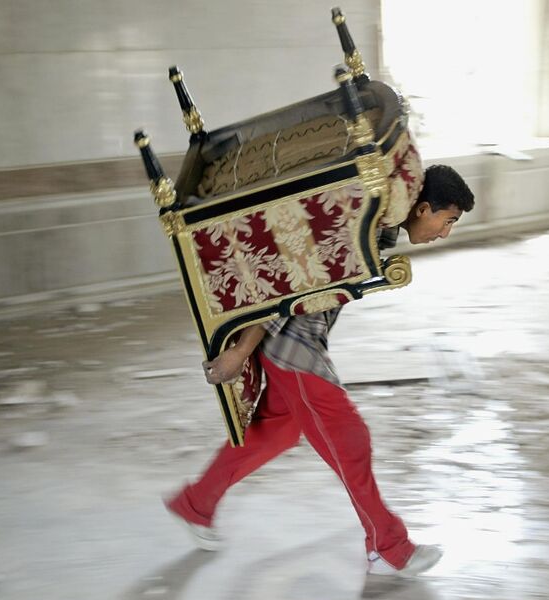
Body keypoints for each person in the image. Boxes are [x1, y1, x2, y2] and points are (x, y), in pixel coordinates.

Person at [165, 164, 475, 577]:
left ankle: (196, 504)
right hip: (293, 347)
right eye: (447, 220)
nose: (445, 231)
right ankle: (388, 547)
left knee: (275, 431)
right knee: (351, 440)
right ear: (422, 209)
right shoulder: (364, 224)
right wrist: (241, 351)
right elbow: (288, 284)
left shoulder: (380, 227)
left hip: (299, 343)